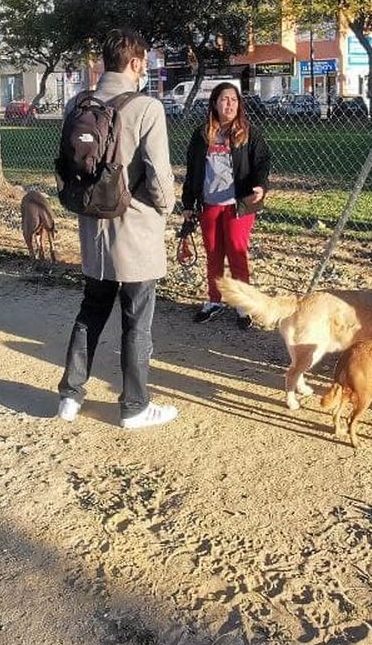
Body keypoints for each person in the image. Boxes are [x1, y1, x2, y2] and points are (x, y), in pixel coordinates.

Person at [57, 28, 180, 429]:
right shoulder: (147, 108)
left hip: (93, 229)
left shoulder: (79, 103)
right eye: (144, 61)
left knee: (89, 312)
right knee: (136, 321)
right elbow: (159, 178)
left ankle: (70, 397)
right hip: (135, 233)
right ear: (136, 63)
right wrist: (167, 208)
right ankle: (134, 406)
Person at [179, 82, 272, 327]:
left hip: (238, 205)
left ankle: (243, 305)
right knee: (213, 253)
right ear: (214, 103)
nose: (229, 104)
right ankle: (214, 300)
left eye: (233, 99)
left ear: (239, 104)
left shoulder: (249, 132)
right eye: (223, 99)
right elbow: (192, 172)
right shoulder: (202, 135)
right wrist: (188, 203)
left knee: (236, 252)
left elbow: (262, 162)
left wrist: (260, 186)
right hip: (210, 204)